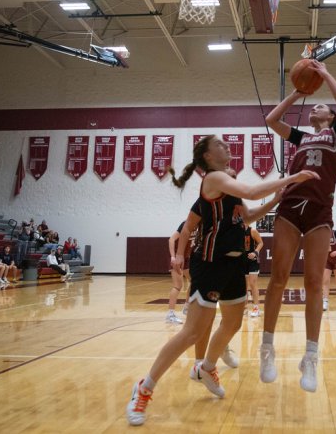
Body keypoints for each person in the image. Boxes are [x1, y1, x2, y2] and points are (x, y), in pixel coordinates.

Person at [125, 135, 318, 426]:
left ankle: (207, 367)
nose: (226, 146)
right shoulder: (213, 179)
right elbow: (252, 192)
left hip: (234, 263)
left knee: (233, 323)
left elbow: (249, 214)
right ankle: (144, 387)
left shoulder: (230, 188)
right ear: (207, 156)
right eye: (219, 144)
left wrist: (278, 198)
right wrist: (293, 177)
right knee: (191, 332)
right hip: (211, 263)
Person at [260, 58, 336, 393]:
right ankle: (266, 349)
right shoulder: (300, 137)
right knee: (278, 279)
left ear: (328, 118)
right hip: (290, 207)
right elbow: (271, 120)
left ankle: (311, 357)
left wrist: (325, 74)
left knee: (314, 282)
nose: (318, 107)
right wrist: (297, 93)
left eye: (321, 106)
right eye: (315, 106)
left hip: (320, 211)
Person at [166, 209, 200, 324]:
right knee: (177, 286)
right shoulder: (185, 225)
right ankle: (170, 315)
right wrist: (173, 257)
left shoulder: (199, 226)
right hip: (177, 259)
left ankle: (186, 307)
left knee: (195, 282)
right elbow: (171, 239)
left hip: (186, 259)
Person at [244, 225, 264, 318]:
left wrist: (255, 252)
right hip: (242, 261)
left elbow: (260, 243)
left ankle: (256, 308)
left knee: (252, 284)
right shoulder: (236, 231)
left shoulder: (252, 231)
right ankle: (244, 307)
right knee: (243, 285)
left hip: (252, 261)